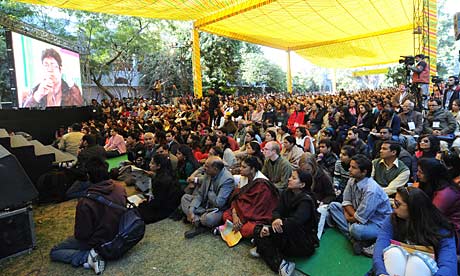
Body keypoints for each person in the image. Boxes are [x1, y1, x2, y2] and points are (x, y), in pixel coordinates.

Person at [50, 157, 127, 275]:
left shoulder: (85, 202)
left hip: (100, 240)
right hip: (121, 231)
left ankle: (88, 256)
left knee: (55, 251)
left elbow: (82, 235)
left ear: (88, 176)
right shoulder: (120, 188)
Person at [370, 187, 457, 276]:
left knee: (417, 262)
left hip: (427, 271)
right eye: (393, 202)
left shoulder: (441, 228)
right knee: (394, 253)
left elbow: (448, 266)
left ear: (413, 207)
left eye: (397, 203)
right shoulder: (392, 219)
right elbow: (380, 248)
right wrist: (382, 274)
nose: (393, 206)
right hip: (394, 268)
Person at [252, 170, 319, 276]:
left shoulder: (306, 201)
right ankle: (266, 249)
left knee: (264, 234)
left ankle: (279, 263)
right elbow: (277, 210)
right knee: (258, 229)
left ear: (302, 184)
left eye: (293, 178)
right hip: (284, 230)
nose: (289, 179)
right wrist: (276, 219)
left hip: (301, 240)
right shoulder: (287, 193)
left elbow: (295, 223)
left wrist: (271, 231)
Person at [328, 154, 392, 255]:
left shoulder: (372, 190)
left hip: (377, 224)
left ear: (364, 172)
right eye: (350, 166)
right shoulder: (352, 179)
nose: (349, 169)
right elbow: (346, 201)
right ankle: (354, 240)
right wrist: (350, 214)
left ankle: (354, 236)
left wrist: (349, 217)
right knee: (333, 206)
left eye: (353, 168)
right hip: (356, 214)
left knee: (355, 229)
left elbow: (360, 218)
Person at [221, 156, 279, 238]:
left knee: (247, 229)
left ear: (253, 169)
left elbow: (258, 208)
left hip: (255, 216)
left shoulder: (263, 184)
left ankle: (238, 228)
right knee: (225, 215)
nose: (240, 169)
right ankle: (239, 228)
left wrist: (241, 219)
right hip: (242, 212)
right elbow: (237, 198)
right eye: (240, 166)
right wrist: (234, 214)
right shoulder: (243, 178)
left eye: (244, 167)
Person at [181, 156, 234, 239]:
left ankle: (198, 220)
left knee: (208, 219)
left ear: (215, 169)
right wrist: (191, 209)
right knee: (185, 198)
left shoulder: (227, 179)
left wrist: (210, 193)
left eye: (206, 166)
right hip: (205, 204)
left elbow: (219, 203)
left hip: (217, 209)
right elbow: (200, 194)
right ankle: (197, 220)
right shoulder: (209, 173)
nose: (204, 168)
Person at [417, 158, 460, 254]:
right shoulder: (430, 185)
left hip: (451, 232)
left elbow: (431, 217)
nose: (417, 174)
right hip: (438, 224)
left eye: (421, 172)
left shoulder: (446, 193)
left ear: (432, 174)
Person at [137, 154, 183, 224]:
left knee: (139, 210)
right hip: (173, 205)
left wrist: (144, 203)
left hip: (165, 209)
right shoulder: (170, 173)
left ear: (158, 166)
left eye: (152, 163)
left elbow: (158, 202)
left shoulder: (160, 181)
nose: (149, 165)